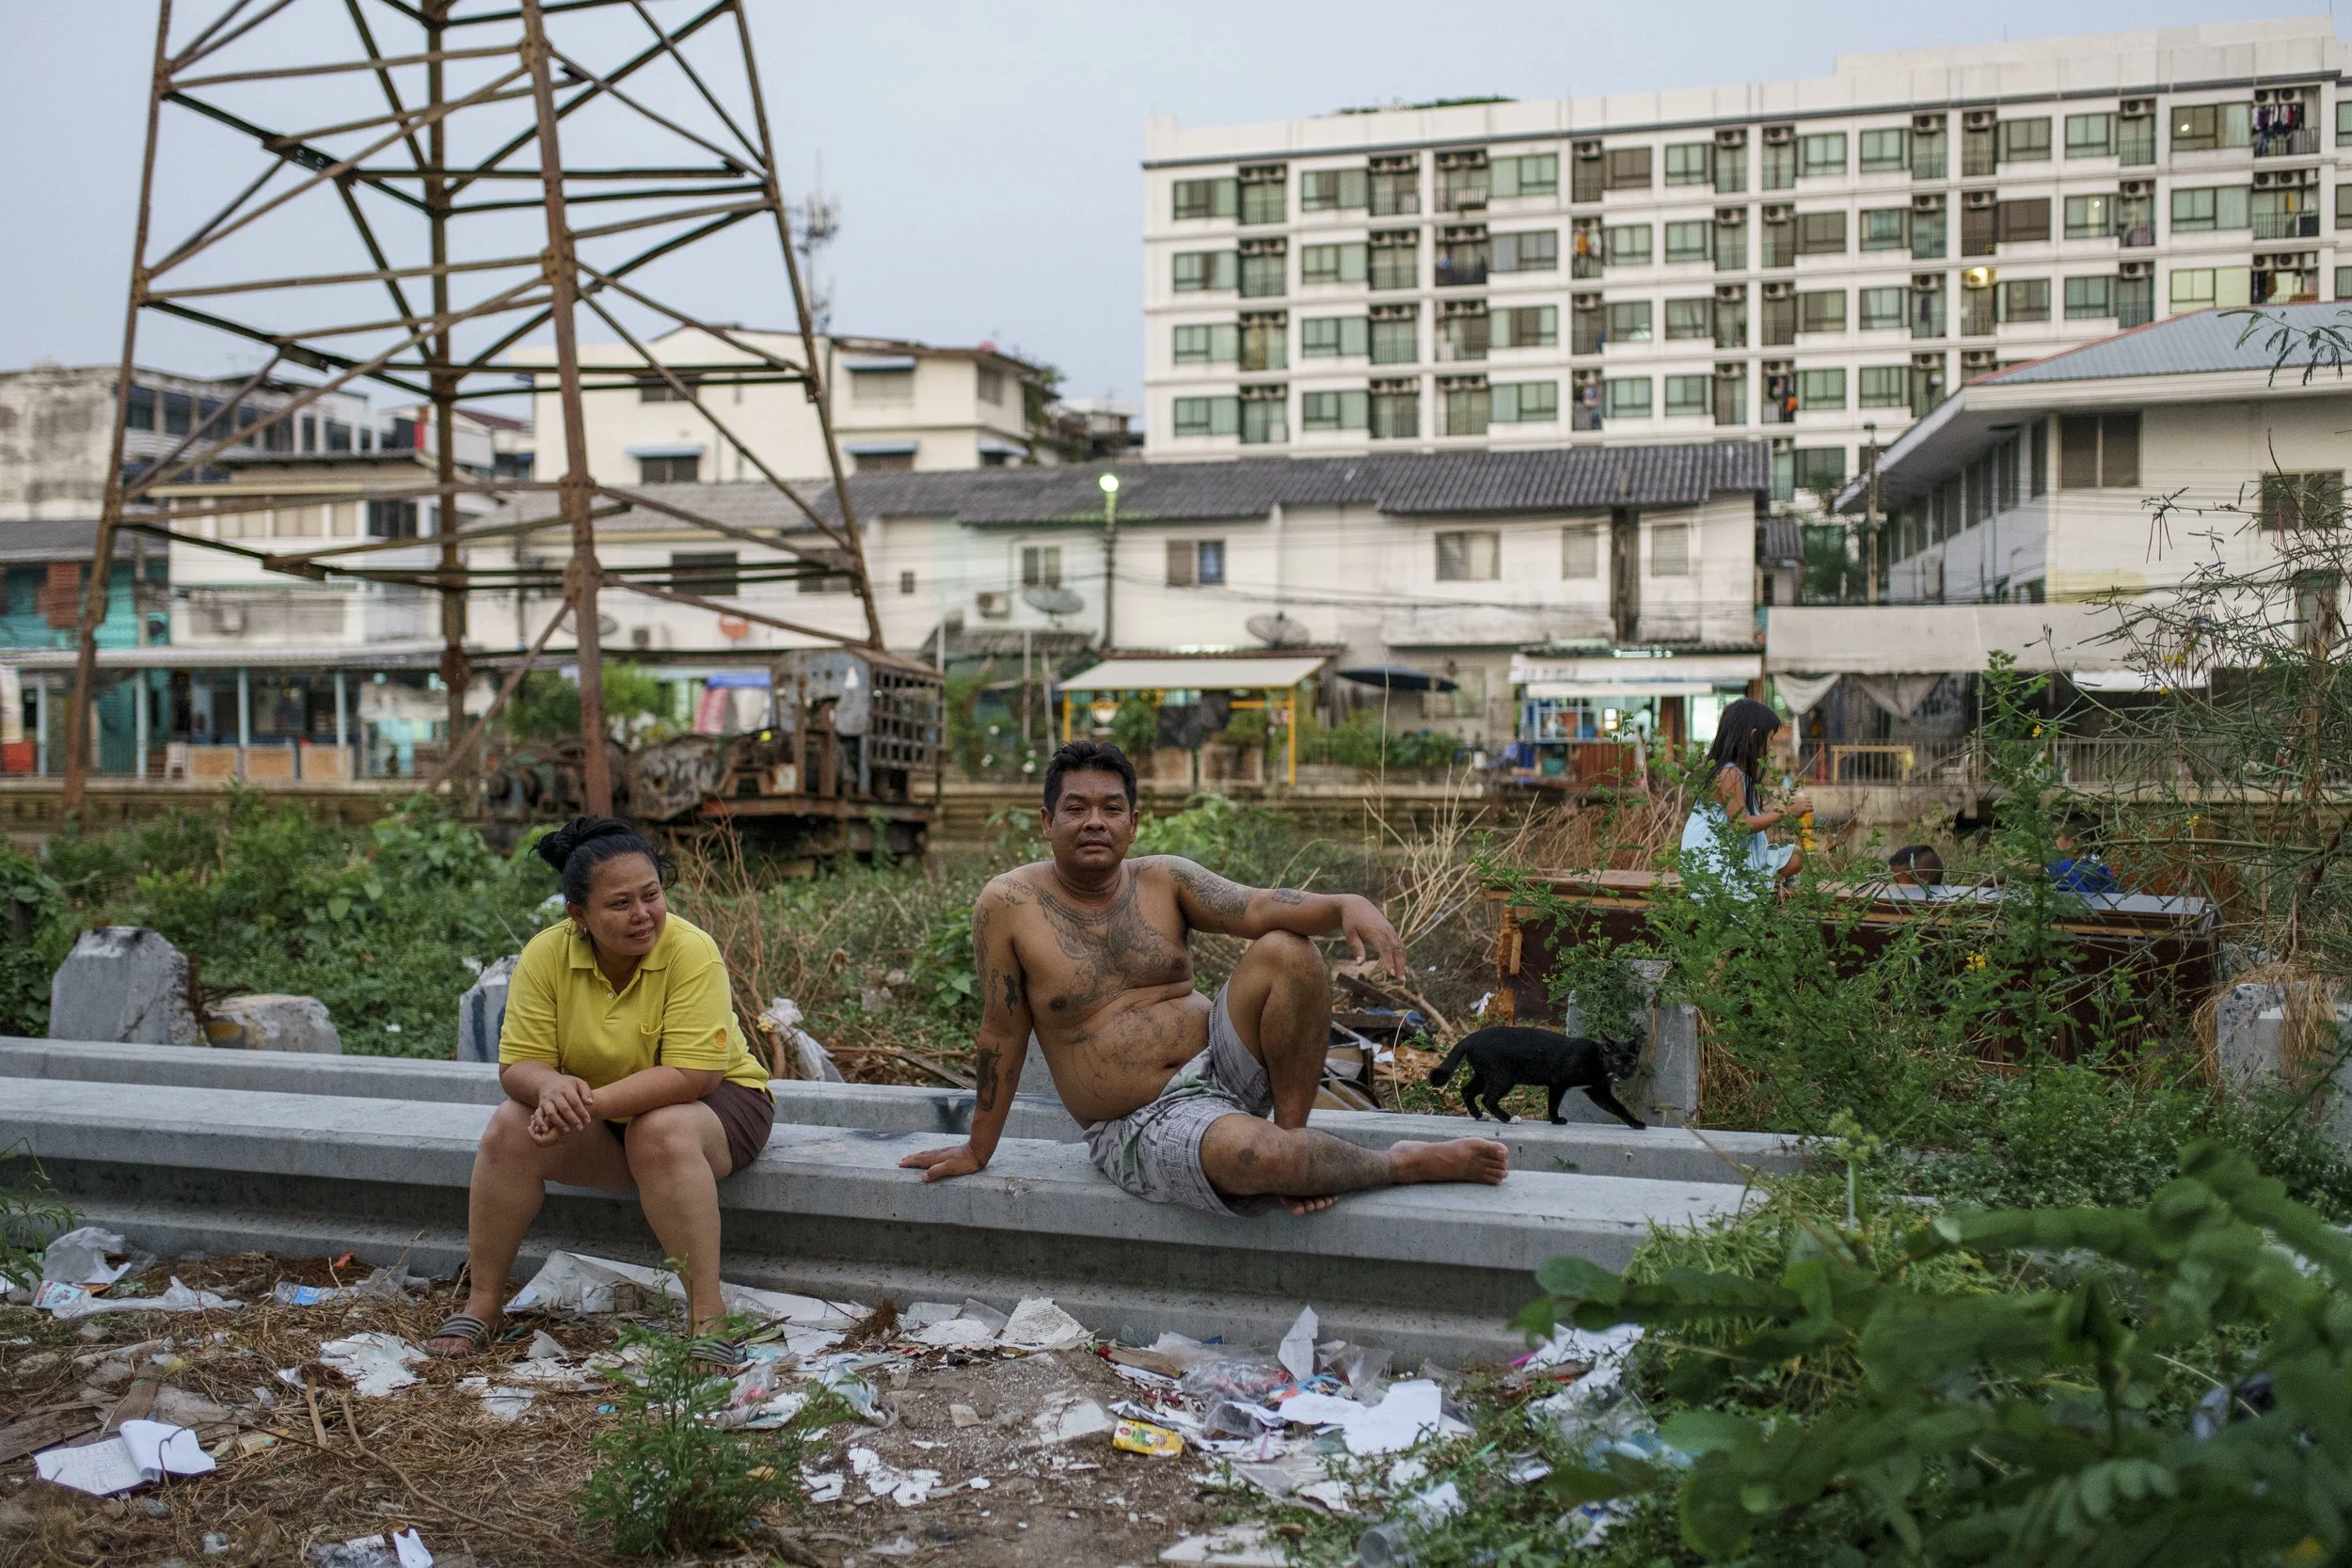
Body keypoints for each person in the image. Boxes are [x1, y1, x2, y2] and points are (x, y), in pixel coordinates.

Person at [899, 739, 1509, 1217]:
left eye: (1111, 808)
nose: (1094, 821)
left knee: (1287, 951)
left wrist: (1344, 902)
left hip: (1222, 1063)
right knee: (1253, 1157)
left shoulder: (1164, 878)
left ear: (1133, 823)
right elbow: (1001, 1034)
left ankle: (1293, 1145)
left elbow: (1262, 906)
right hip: (1138, 1121)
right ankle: (1395, 1164)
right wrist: (978, 1148)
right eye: (1076, 807)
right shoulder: (1007, 904)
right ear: (1046, 820)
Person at [426, 817, 774, 1365]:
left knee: (659, 1129)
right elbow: (519, 1064)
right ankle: (485, 1301)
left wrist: (582, 1103)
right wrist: (550, 1087)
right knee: (508, 1128)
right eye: (619, 904)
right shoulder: (546, 955)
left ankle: (709, 1318)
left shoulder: (691, 951)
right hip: (606, 1115)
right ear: (578, 916)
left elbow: (693, 1076)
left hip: (715, 1107)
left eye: (651, 895)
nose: (642, 915)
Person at [1680, 698, 1814, 891]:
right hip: (1714, 860)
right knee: (1794, 858)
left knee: (1797, 857)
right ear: (1754, 737)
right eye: (1770, 739)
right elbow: (1740, 825)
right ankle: (1753, 884)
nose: (1770, 748)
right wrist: (1785, 811)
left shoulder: (1740, 774)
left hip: (1733, 853)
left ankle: (1762, 880)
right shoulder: (1729, 773)